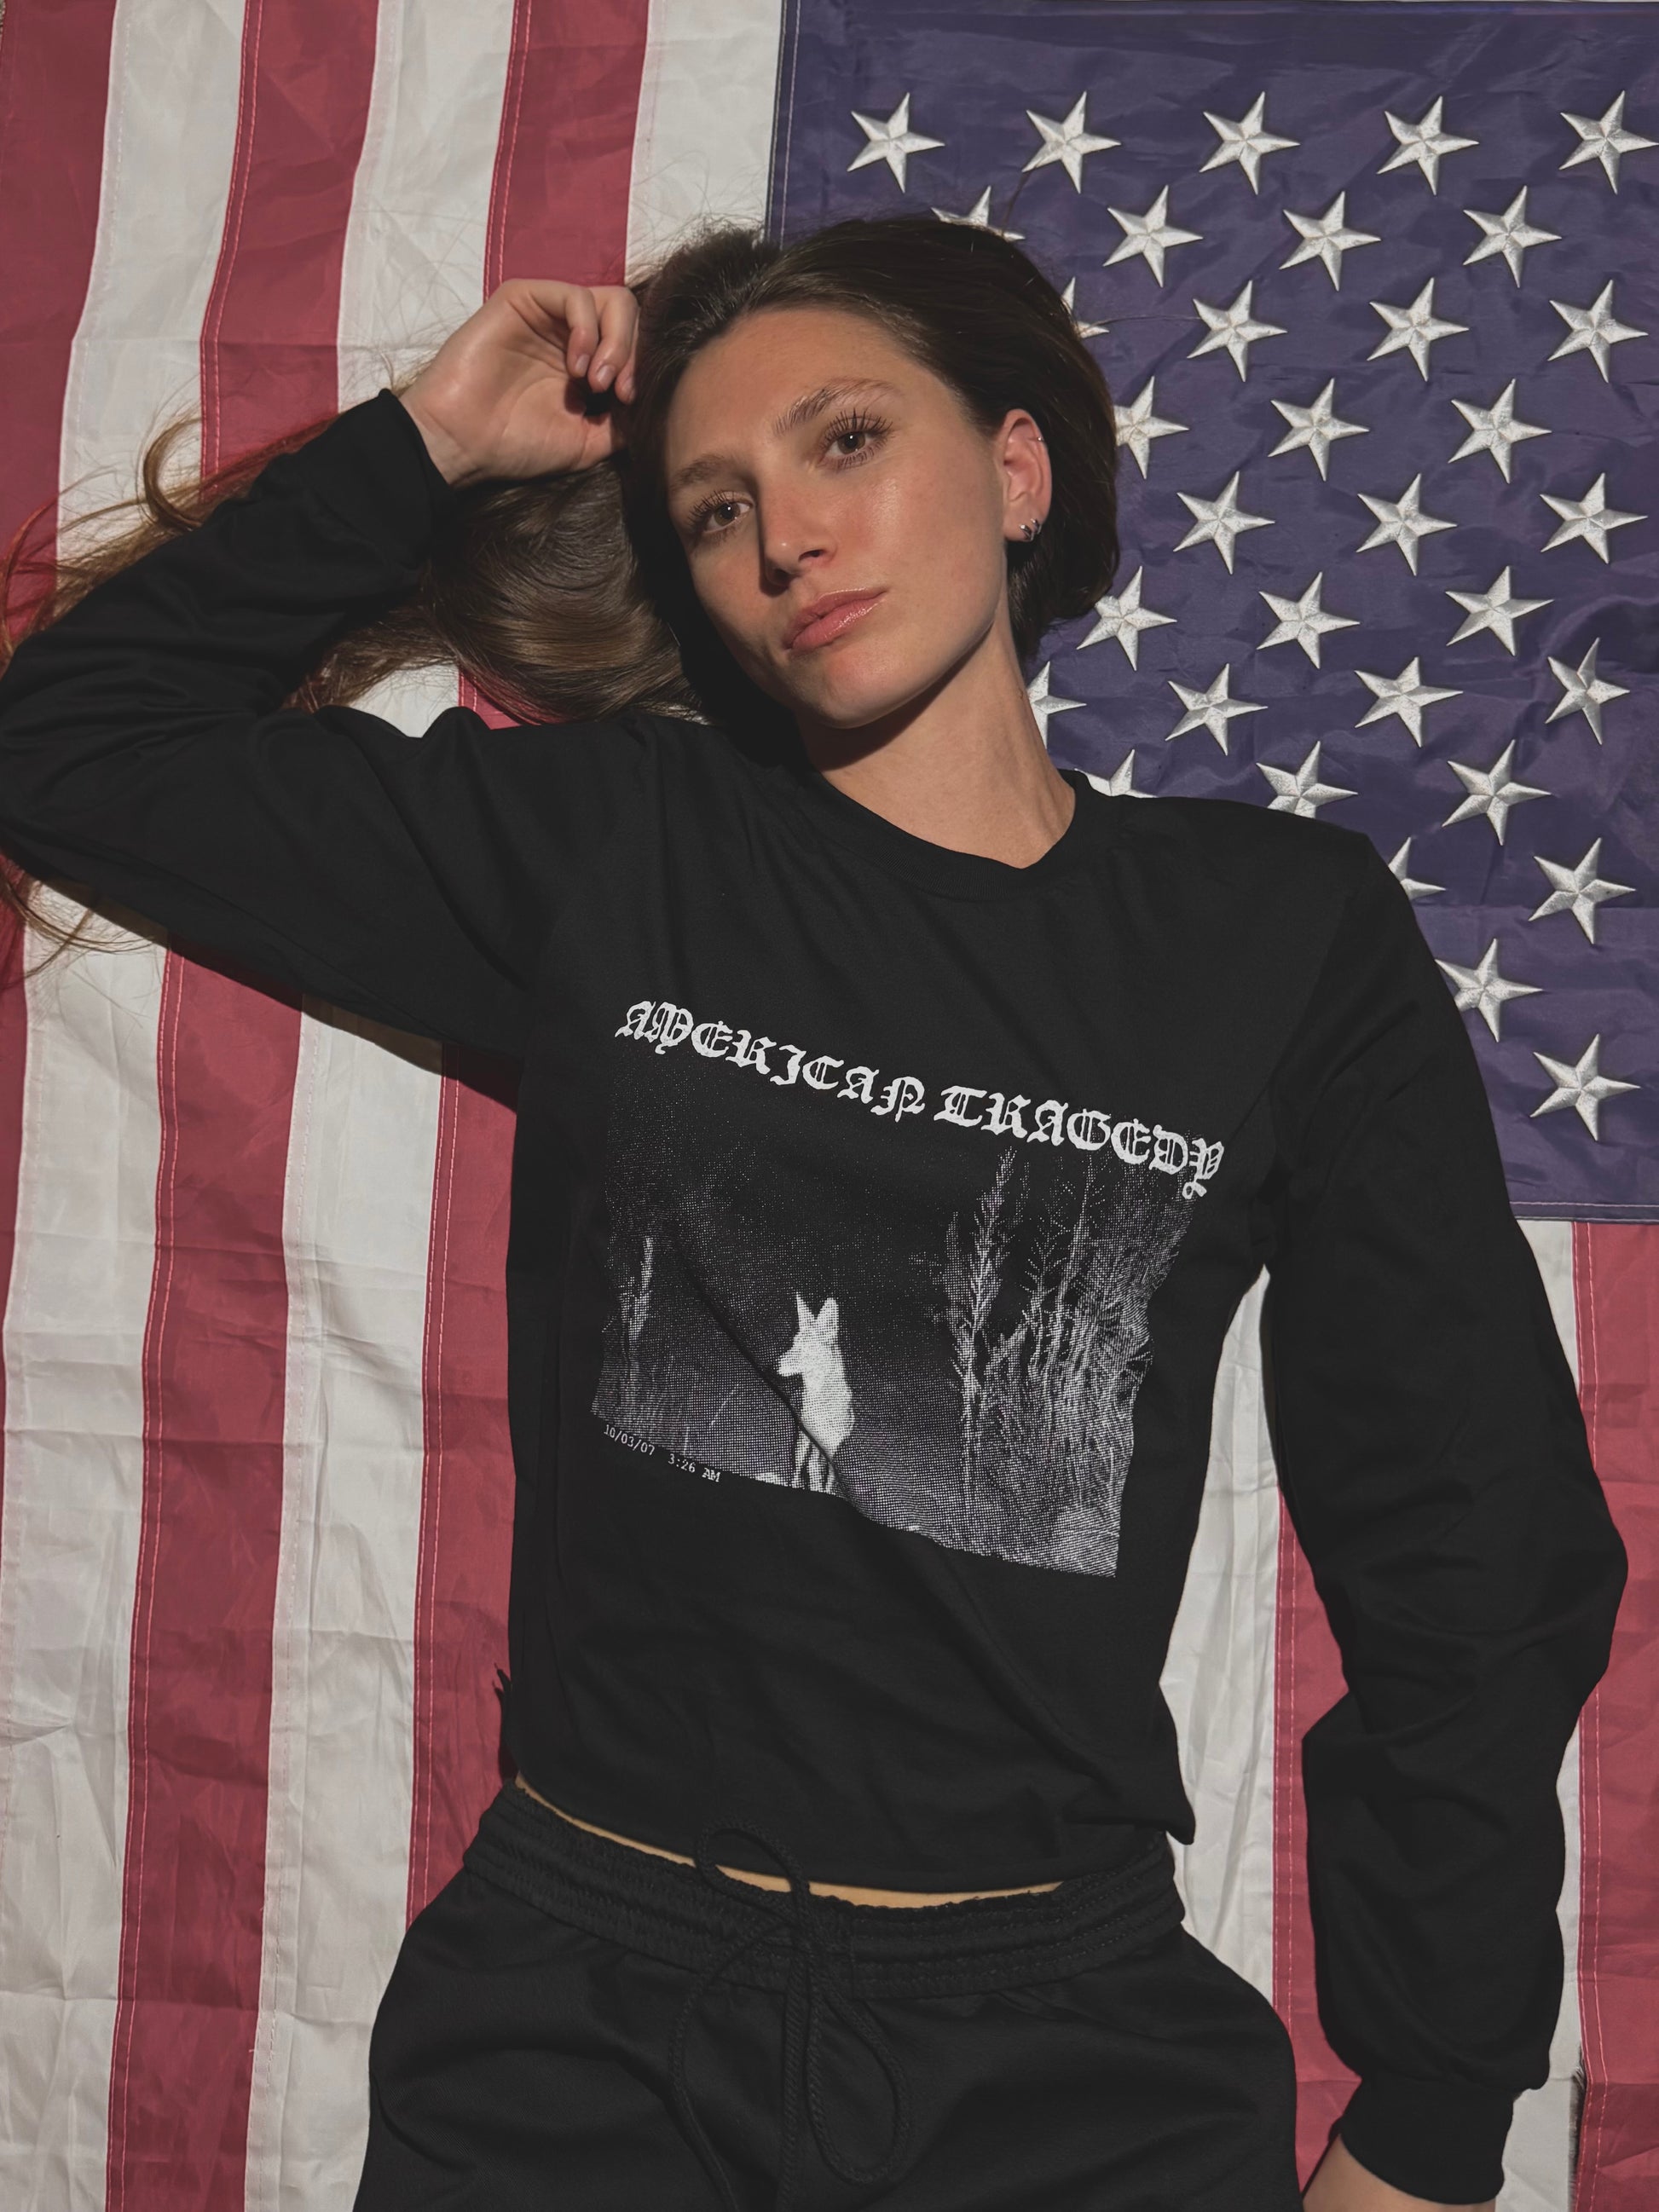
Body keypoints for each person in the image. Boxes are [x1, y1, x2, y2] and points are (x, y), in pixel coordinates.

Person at [0, 216, 1626, 2212]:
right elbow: (67, 747)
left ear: (1016, 471)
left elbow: (1467, 1526)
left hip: (1063, 2067)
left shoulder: (1276, 939)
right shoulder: (617, 847)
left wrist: (1434, 2110)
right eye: (715, 506)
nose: (787, 534)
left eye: (845, 439)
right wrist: (426, 440)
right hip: (580, 2040)